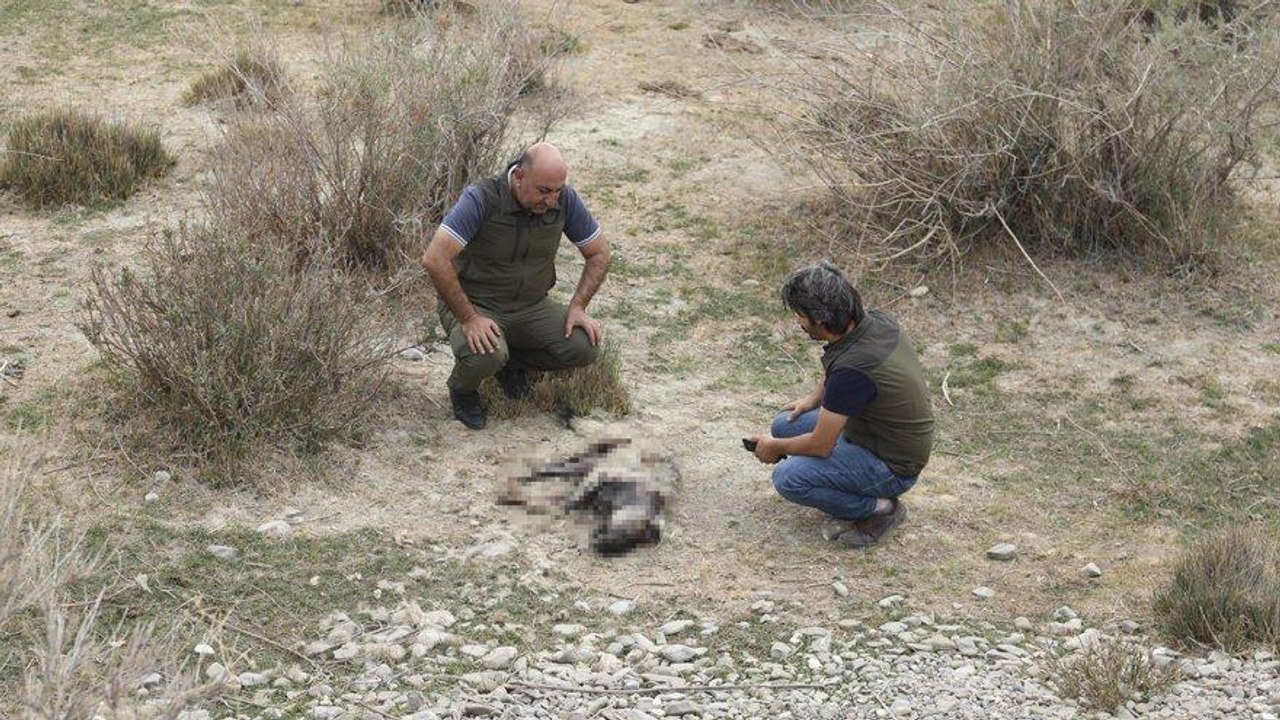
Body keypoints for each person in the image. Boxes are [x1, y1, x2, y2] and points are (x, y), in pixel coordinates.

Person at [422, 142, 611, 430]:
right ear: (519, 177)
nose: (551, 200)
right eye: (544, 191)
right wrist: (469, 319)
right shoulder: (481, 198)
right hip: (476, 304)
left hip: (531, 305)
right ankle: (463, 390)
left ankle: (512, 365)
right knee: (485, 354)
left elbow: (599, 253)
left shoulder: (565, 201)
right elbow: (435, 259)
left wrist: (578, 307)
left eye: (557, 191)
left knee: (584, 346)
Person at [747, 262, 934, 547]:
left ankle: (881, 508)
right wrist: (811, 399)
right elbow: (838, 366)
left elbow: (820, 445)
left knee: (788, 478)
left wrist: (774, 448)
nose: (798, 322)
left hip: (893, 466)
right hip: (873, 433)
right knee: (784, 425)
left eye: (801, 315)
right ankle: (840, 471)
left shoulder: (853, 372)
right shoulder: (874, 323)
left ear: (821, 319)